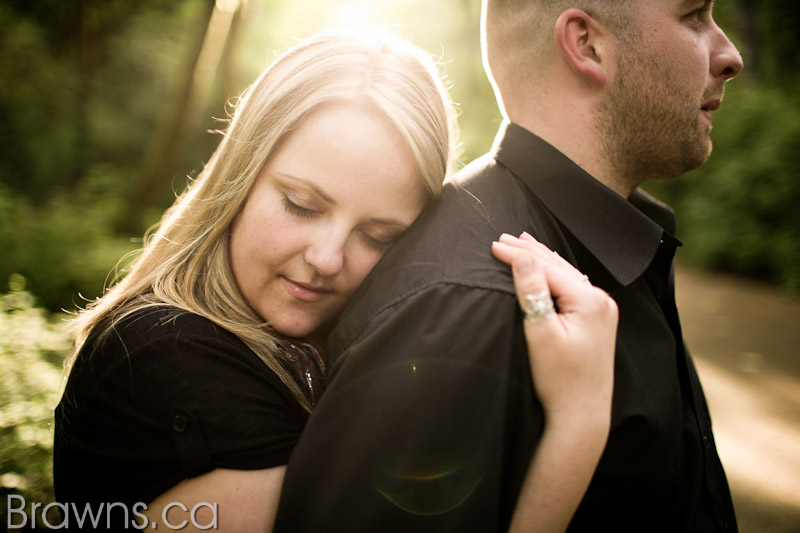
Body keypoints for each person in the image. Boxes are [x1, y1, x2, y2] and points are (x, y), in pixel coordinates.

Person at [53, 28, 617, 532]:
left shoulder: (338, 347)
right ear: (240, 176)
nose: (326, 259)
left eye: (378, 236)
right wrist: (578, 423)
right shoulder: (172, 354)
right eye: (301, 204)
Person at [275, 1, 744, 531]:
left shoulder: (618, 249)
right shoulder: (469, 307)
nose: (730, 55)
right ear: (586, 44)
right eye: (694, 16)